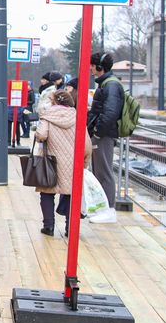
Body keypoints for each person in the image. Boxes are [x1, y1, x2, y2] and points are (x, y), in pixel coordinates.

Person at [35, 90, 91, 236]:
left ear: (54, 102)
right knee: (71, 195)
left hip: (51, 162)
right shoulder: (78, 117)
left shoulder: (47, 117)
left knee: (47, 193)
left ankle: (49, 226)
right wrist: (84, 162)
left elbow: (41, 135)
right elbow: (86, 145)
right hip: (73, 163)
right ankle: (69, 228)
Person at [88, 52, 125, 207]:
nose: (90, 68)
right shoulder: (107, 84)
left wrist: (97, 131)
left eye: (92, 65)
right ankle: (102, 207)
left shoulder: (111, 85)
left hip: (104, 135)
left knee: (104, 173)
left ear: (99, 67)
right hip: (102, 134)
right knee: (99, 172)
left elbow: (110, 112)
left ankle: (108, 208)